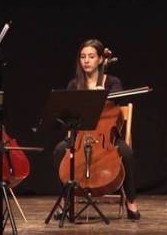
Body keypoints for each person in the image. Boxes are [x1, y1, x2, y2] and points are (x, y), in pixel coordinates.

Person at [52, 39, 140, 219]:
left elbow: (119, 101)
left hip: (106, 137)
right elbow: (67, 113)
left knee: (128, 154)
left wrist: (103, 94)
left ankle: (131, 201)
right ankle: (65, 200)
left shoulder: (112, 82)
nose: (86, 60)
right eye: (83, 57)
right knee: (59, 151)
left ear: (101, 59)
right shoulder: (74, 84)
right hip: (79, 135)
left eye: (91, 56)